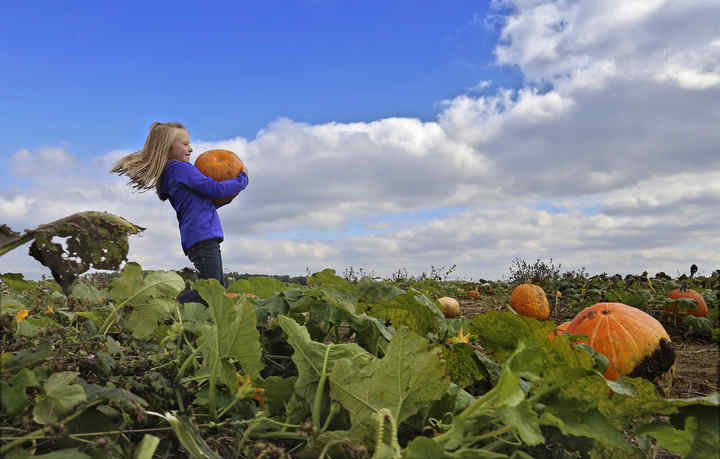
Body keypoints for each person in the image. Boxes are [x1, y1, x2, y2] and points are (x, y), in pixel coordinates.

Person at [111, 121, 248, 305]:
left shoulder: (174, 173)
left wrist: (227, 199)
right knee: (210, 292)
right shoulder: (179, 169)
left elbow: (203, 204)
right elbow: (214, 189)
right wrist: (242, 180)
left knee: (214, 288)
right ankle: (165, 308)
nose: (190, 149)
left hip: (199, 234)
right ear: (167, 147)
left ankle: (180, 315)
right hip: (202, 235)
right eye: (184, 144)